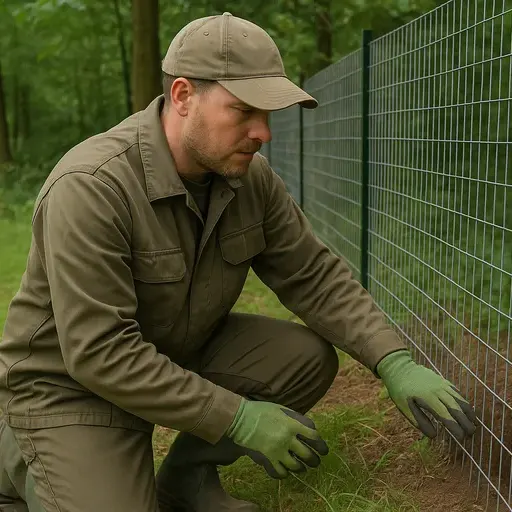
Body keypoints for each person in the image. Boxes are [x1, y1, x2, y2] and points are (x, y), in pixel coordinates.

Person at [0, 12, 478, 512]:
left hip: (170, 349)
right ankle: (23, 455)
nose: (263, 133)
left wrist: (394, 362)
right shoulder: (92, 187)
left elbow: (314, 277)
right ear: (183, 96)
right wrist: (238, 419)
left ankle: (185, 480)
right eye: (244, 111)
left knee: (302, 359)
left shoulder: (250, 179)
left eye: (267, 114)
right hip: (71, 388)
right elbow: (99, 351)